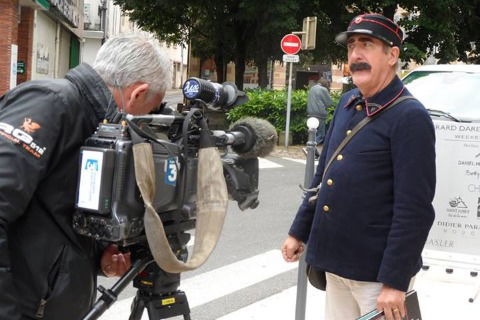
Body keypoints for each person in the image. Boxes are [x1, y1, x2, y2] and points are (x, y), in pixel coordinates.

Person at [0, 33, 172, 319]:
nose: (148, 121)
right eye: (152, 110)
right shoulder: (52, 103)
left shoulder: (96, 125)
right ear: (137, 93)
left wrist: (98, 256)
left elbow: (55, 214)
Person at [282, 13, 435, 320]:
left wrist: (395, 281)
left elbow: (414, 210)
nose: (355, 54)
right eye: (351, 46)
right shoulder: (348, 102)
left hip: (377, 277)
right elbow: (323, 173)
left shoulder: (410, 117)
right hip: (337, 265)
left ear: (392, 55)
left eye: (367, 44)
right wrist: (299, 231)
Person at [306, 78, 333, 145]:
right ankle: (312, 147)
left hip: (311, 113)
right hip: (320, 113)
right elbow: (329, 103)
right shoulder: (323, 89)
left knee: (313, 132)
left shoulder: (312, 88)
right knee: (320, 134)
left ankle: (310, 145)